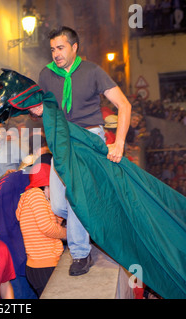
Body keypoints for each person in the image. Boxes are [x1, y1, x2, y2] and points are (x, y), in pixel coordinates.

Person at [31, 26, 131, 276]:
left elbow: (124, 105)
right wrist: (38, 111)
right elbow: (45, 108)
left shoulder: (92, 71)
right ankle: (90, 219)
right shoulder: (46, 74)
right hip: (60, 140)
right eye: (53, 49)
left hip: (88, 138)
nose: (56, 53)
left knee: (76, 196)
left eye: (61, 48)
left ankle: (80, 254)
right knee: (57, 205)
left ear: (75, 47)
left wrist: (118, 143)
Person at [16, 159, 66, 297]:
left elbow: (54, 222)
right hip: (44, 265)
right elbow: (47, 227)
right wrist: (67, 234)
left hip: (39, 265)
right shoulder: (36, 195)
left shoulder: (36, 198)